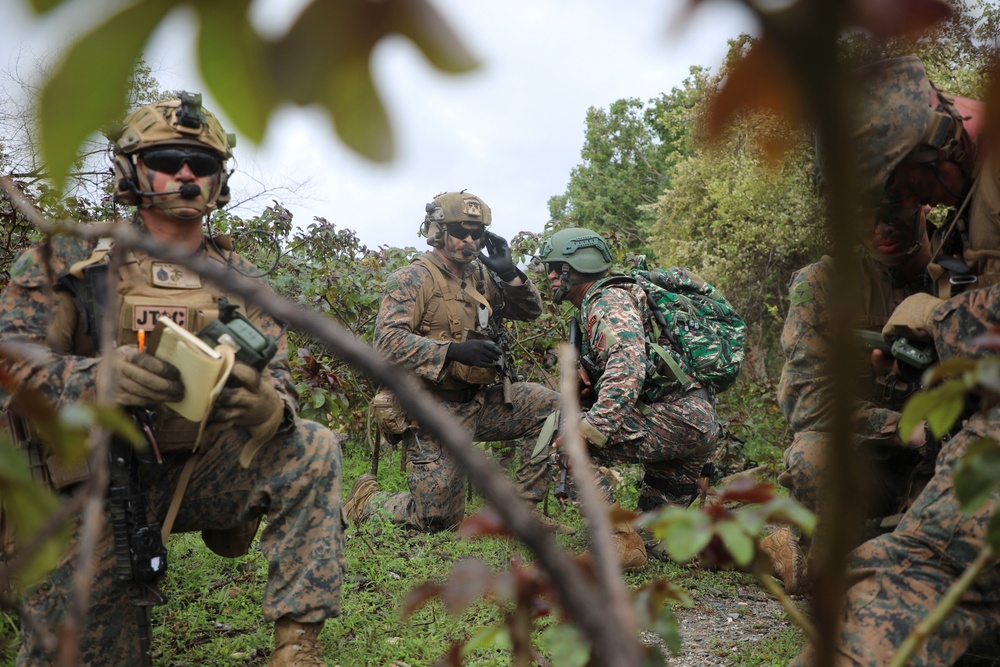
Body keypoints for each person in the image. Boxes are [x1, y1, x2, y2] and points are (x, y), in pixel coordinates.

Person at [0, 93, 344, 667]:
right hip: (78, 489)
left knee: (310, 445)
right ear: (130, 171)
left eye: (201, 164)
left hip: (192, 471)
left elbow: (281, 381)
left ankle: (297, 649)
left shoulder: (240, 279)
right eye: (166, 160)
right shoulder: (66, 256)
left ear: (218, 182)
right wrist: (96, 379)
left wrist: (265, 407)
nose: (186, 174)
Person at [790, 55, 1000, 665]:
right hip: (941, 438)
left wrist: (937, 320)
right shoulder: (966, 200)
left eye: (903, 189)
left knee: (916, 573)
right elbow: (807, 401)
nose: (902, 205)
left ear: (937, 137)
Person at [344, 191, 565, 533]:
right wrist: (451, 352)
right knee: (437, 519)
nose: (469, 241)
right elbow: (386, 343)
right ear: (438, 232)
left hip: (479, 402)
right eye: (461, 232)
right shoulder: (413, 278)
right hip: (432, 409)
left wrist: (510, 273)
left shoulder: (481, 276)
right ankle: (367, 502)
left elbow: (531, 311)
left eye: (477, 233)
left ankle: (522, 512)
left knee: (552, 408)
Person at [765, 198, 936, 593]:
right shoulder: (823, 283)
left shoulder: (965, 274)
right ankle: (800, 546)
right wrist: (905, 428)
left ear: (923, 201)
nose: (880, 227)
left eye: (893, 209)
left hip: (946, 455)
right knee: (814, 455)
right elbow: (806, 403)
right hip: (866, 460)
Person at [538, 227, 721, 571]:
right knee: (655, 535)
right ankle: (657, 539)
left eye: (555, 267)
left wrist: (592, 428)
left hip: (675, 418)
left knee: (563, 436)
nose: (548, 276)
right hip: (696, 420)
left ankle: (618, 542)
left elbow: (628, 363)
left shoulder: (606, 300)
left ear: (575, 269)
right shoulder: (624, 296)